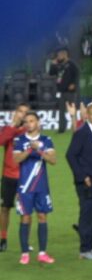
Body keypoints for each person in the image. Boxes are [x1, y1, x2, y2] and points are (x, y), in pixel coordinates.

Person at [66, 103, 92, 260]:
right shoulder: (82, 133)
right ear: (87, 116)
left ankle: (91, 247)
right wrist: (83, 177)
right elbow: (70, 155)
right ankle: (85, 249)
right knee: (87, 214)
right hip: (87, 181)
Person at [12, 112, 56, 265]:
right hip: (25, 187)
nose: (29, 124)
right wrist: (30, 149)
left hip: (41, 186)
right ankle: (25, 253)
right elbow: (16, 159)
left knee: (42, 217)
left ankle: (42, 253)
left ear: (38, 122)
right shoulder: (19, 140)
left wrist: (39, 150)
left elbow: (53, 160)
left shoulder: (46, 140)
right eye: (26, 122)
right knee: (25, 217)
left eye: (32, 121)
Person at [0, 103, 30, 252]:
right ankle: (3, 238)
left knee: (25, 211)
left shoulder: (28, 131)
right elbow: (1, 141)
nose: (22, 114)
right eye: (20, 111)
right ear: (15, 113)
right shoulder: (8, 129)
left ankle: (25, 242)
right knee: (5, 208)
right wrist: (12, 125)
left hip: (24, 176)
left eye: (25, 112)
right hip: (8, 176)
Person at [49, 47, 79, 133]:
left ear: (64, 55)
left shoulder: (71, 64)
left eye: (59, 55)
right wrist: (53, 64)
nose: (58, 56)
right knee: (61, 110)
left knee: (72, 110)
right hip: (61, 91)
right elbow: (51, 73)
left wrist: (74, 84)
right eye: (58, 55)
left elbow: (77, 74)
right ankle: (62, 128)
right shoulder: (58, 65)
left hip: (70, 91)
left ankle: (75, 128)